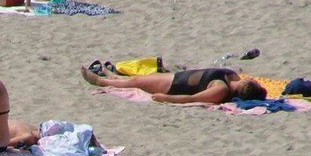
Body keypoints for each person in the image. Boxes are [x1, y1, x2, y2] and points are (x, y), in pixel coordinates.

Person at [80, 66, 267, 104]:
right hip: (179, 76)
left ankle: (101, 81)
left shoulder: (221, 90)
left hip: (175, 85)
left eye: (253, 82)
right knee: (143, 78)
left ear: (245, 87)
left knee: (137, 83)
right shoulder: (233, 77)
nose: (253, 79)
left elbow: (191, 99)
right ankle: (115, 77)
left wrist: (166, 98)